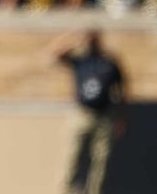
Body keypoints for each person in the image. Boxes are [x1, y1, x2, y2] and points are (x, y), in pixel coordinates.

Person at [52, 29, 127, 194]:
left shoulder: (108, 62)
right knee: (73, 155)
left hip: (104, 115)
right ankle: (67, 190)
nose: (91, 43)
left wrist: (121, 117)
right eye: (88, 40)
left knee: (101, 158)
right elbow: (54, 56)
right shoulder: (80, 61)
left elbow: (121, 90)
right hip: (82, 113)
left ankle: (95, 190)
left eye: (93, 40)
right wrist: (73, 41)